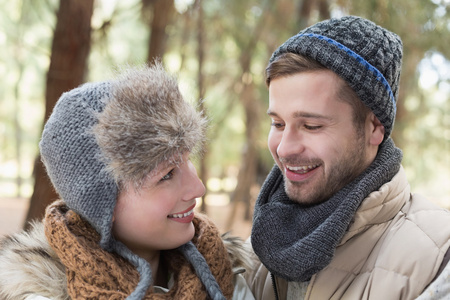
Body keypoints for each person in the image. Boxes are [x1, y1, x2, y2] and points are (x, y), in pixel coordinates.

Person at [0, 63, 255, 300]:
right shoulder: (38, 293)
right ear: (102, 206)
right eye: (166, 175)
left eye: (187, 161)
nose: (198, 188)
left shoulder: (223, 272)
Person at [245, 16, 450, 299]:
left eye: (311, 126)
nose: (284, 149)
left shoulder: (438, 257)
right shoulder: (253, 251)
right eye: (278, 124)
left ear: (374, 128)